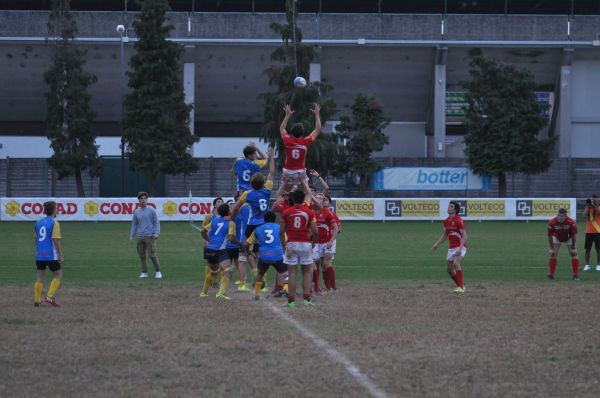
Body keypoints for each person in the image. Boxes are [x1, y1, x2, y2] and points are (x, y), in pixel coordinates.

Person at [231, 147, 275, 278]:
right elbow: (271, 172)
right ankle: (262, 278)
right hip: (263, 224)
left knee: (244, 251)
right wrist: (271, 157)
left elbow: (234, 172)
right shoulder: (267, 190)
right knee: (262, 251)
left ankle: (244, 280)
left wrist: (231, 218)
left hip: (251, 224)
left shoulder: (246, 194)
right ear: (263, 183)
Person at [280, 189, 318, 308]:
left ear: (293, 199)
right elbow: (315, 231)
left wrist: (283, 244)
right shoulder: (310, 212)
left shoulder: (286, 212)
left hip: (291, 243)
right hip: (305, 244)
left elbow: (280, 231)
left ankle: (291, 301)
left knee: (292, 273)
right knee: (307, 272)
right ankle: (306, 300)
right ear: (303, 199)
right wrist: (313, 243)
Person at [243, 211, 287, 301]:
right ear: (275, 219)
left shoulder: (258, 229)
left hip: (264, 256)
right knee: (286, 273)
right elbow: (285, 242)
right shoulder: (279, 228)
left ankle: (256, 295)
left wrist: (248, 252)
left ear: (264, 219)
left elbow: (246, 244)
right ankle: (286, 291)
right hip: (277, 255)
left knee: (260, 274)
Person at [279, 103, 321, 186]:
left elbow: (282, 128)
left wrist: (287, 115)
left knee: (285, 192)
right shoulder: (305, 142)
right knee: (305, 192)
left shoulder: (287, 140)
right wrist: (317, 114)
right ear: (303, 132)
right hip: (300, 171)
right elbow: (317, 129)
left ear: (291, 132)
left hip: (288, 170)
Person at [200, 204, 235, 299]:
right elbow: (231, 238)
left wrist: (209, 239)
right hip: (220, 250)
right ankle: (221, 293)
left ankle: (204, 292)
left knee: (214, 272)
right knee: (227, 271)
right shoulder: (231, 223)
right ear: (228, 212)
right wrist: (240, 244)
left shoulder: (214, 220)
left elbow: (202, 231)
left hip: (209, 250)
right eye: (230, 209)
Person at [431, 201, 467, 294]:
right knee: (449, 270)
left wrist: (460, 249)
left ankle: (460, 287)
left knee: (456, 263)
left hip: (460, 246)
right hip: (451, 248)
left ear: (455, 209)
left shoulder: (459, 220)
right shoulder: (446, 221)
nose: (449, 207)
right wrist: (437, 244)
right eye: (449, 206)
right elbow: (445, 234)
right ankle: (461, 286)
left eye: (451, 206)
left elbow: (464, 236)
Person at [33, 201, 64, 307]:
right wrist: (60, 254)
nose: (57, 210)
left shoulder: (38, 223)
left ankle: (37, 301)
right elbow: (55, 239)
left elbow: (36, 239)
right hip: (50, 254)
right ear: (53, 210)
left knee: (40, 276)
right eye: (56, 208)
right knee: (58, 274)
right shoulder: (55, 223)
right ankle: (49, 297)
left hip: (39, 254)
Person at [226, 197, 255, 292]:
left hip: (243, 239)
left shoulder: (241, 210)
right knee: (252, 259)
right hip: (254, 235)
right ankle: (260, 282)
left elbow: (231, 215)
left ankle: (242, 284)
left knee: (242, 261)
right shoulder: (253, 206)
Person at [130, 192, 161, 279]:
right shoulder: (137, 212)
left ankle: (158, 272)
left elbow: (156, 222)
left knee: (152, 255)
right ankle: (144, 272)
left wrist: (156, 233)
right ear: (139, 200)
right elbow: (134, 224)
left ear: (147, 200)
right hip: (140, 237)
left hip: (150, 236)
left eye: (145, 198)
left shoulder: (151, 210)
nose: (143, 200)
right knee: (142, 256)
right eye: (141, 199)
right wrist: (132, 236)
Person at [313, 193, 339, 294]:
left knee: (326, 263)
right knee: (313, 264)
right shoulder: (312, 212)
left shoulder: (327, 213)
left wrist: (331, 241)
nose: (318, 199)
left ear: (323, 201)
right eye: (317, 198)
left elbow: (336, 228)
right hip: (316, 242)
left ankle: (333, 286)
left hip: (327, 242)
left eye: (320, 198)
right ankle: (317, 286)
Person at [546, 208, 579, 280]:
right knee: (553, 254)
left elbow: (573, 235)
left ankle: (576, 276)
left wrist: (573, 248)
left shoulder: (571, 222)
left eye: (562, 216)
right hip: (557, 237)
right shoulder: (552, 222)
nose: (560, 217)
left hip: (569, 238)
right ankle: (551, 275)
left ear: (565, 216)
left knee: (574, 254)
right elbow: (549, 235)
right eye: (559, 215)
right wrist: (551, 248)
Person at [582, 196, 600, 272]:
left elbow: (599, 212)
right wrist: (587, 206)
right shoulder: (588, 208)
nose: (593, 200)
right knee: (587, 250)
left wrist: (595, 206)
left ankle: (598, 265)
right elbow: (583, 215)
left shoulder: (598, 207)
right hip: (589, 232)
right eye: (592, 199)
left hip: (598, 231)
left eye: (595, 199)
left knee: (599, 249)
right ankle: (587, 265)